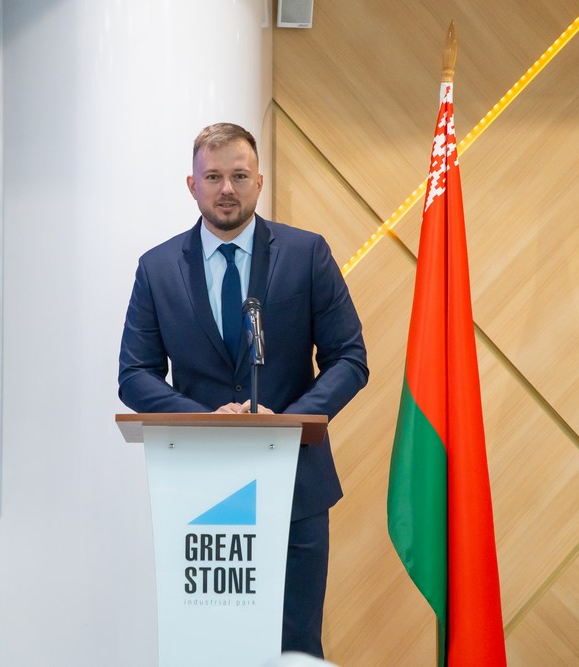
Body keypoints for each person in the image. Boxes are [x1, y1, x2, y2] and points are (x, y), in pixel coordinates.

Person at [118, 122, 368, 658]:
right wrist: (208, 421)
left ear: (259, 181)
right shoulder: (158, 269)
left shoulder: (307, 254)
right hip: (198, 497)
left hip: (295, 490)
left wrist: (290, 422)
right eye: (213, 177)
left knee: (294, 648)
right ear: (192, 185)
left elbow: (350, 358)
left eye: (238, 175)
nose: (226, 188)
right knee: (210, 649)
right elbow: (134, 375)